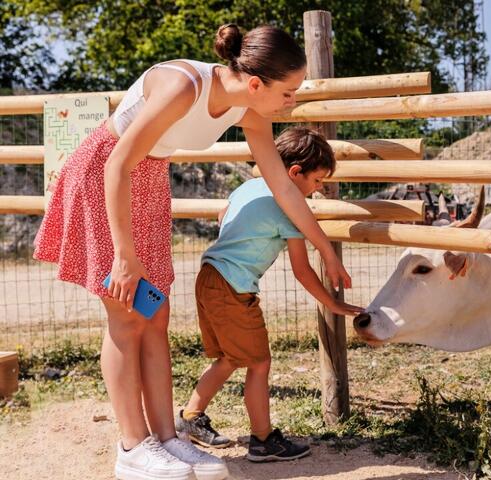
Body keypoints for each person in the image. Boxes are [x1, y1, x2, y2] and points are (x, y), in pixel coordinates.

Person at [33, 23, 351, 480]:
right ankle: (131, 446)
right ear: (257, 82)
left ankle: (165, 439)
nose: (292, 102)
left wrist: (326, 249)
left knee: (155, 314)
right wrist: (124, 254)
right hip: (107, 177)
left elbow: (283, 186)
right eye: (289, 91)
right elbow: (118, 161)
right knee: (125, 314)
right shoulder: (185, 86)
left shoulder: (250, 111)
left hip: (147, 182)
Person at [175, 126, 362, 462]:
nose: (318, 189)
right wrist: (331, 302)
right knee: (259, 364)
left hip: (209, 276)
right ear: (294, 173)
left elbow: (224, 215)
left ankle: (190, 418)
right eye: (317, 181)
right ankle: (263, 439)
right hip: (233, 286)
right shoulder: (287, 205)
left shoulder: (248, 187)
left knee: (231, 358)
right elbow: (302, 271)